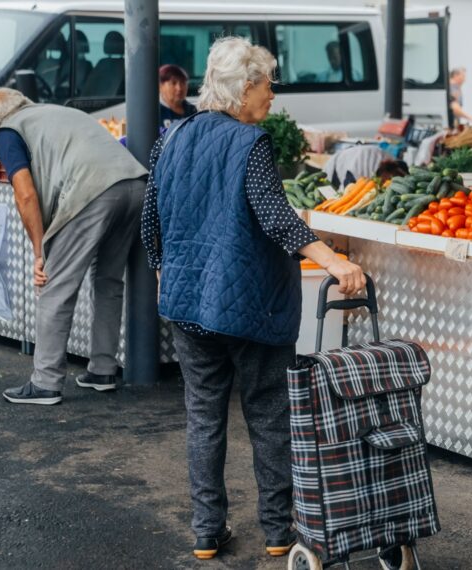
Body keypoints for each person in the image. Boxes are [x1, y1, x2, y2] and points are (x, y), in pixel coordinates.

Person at [141, 37, 365, 560]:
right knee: (267, 414)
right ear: (245, 88)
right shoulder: (250, 143)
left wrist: (165, 276)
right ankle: (276, 531)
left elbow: (150, 222)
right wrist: (334, 260)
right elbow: (276, 216)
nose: (272, 95)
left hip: (187, 305)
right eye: (267, 84)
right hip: (251, 306)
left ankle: (205, 530)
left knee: (203, 415)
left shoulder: (169, 138)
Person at [0, 89, 148, 406]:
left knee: (56, 286)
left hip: (92, 190)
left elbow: (26, 194)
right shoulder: (56, 112)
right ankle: (102, 370)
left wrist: (39, 252)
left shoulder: (7, 130)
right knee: (109, 280)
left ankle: (45, 383)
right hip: (135, 184)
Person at [159, 63, 197, 128]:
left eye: (183, 83)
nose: (179, 88)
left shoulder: (195, 112)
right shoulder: (153, 113)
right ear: (160, 86)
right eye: (173, 83)